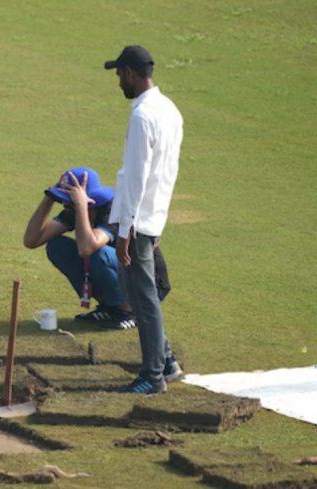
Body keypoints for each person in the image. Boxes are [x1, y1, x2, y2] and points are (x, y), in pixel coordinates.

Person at [105, 46, 183, 394]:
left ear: (130, 73)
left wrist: (125, 230)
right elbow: (166, 172)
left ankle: (153, 376)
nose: (119, 81)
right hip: (151, 217)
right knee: (140, 296)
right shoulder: (169, 110)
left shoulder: (142, 117)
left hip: (136, 223)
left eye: (120, 74)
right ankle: (165, 360)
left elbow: (137, 176)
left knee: (143, 300)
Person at [23, 166, 136, 329]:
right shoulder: (73, 208)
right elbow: (31, 240)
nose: (63, 203)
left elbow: (87, 248)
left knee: (97, 253)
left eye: (67, 200)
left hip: (142, 278)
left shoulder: (113, 209)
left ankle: (128, 311)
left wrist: (81, 206)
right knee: (57, 247)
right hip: (116, 268)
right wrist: (49, 199)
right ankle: (109, 307)